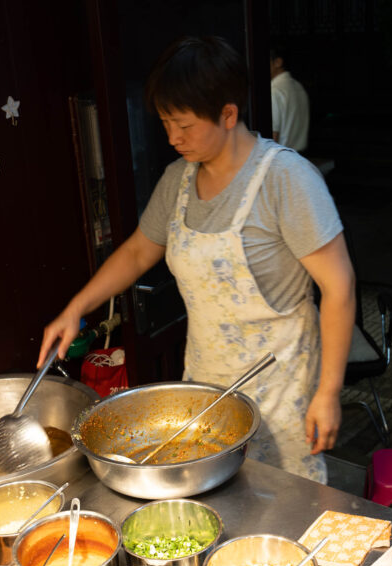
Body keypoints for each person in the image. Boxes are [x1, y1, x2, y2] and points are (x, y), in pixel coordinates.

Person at [39, 35, 356, 483]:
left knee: (284, 498)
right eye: (167, 123)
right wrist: (75, 309)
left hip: (282, 389)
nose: (172, 138)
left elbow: (338, 288)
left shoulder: (287, 179)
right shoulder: (178, 181)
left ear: (228, 114)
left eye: (184, 125)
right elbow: (135, 252)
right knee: (217, 493)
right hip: (207, 382)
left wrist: (329, 390)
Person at [269, 43, 310, 153]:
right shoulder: (298, 86)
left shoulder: (275, 91)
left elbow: (273, 136)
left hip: (282, 158)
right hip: (300, 156)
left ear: (278, 62)